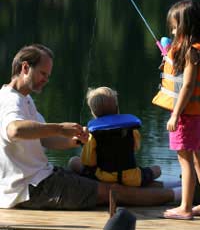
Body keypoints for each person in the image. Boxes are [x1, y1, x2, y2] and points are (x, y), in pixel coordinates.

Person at [0, 43, 181, 210]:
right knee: (113, 192)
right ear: (25, 68)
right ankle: (181, 194)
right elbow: (14, 130)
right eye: (42, 74)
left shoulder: (25, 99)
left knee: (100, 182)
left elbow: (45, 139)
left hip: (42, 178)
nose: (46, 80)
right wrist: (60, 128)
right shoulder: (10, 101)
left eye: (48, 75)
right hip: (31, 189)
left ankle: (181, 186)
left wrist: (76, 141)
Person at [152, 0, 200, 220]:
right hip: (196, 115)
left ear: (185, 26)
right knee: (198, 158)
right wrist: (168, 55)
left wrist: (175, 114)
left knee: (185, 159)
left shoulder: (191, 52)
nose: (172, 32)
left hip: (186, 116)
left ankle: (185, 208)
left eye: (174, 27)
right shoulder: (192, 49)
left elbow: (188, 85)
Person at [68, 86, 162, 187]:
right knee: (157, 169)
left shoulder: (93, 135)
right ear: (117, 108)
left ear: (93, 113)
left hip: (103, 179)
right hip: (133, 178)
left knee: (73, 161)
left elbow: (88, 162)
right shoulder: (131, 130)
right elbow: (136, 148)